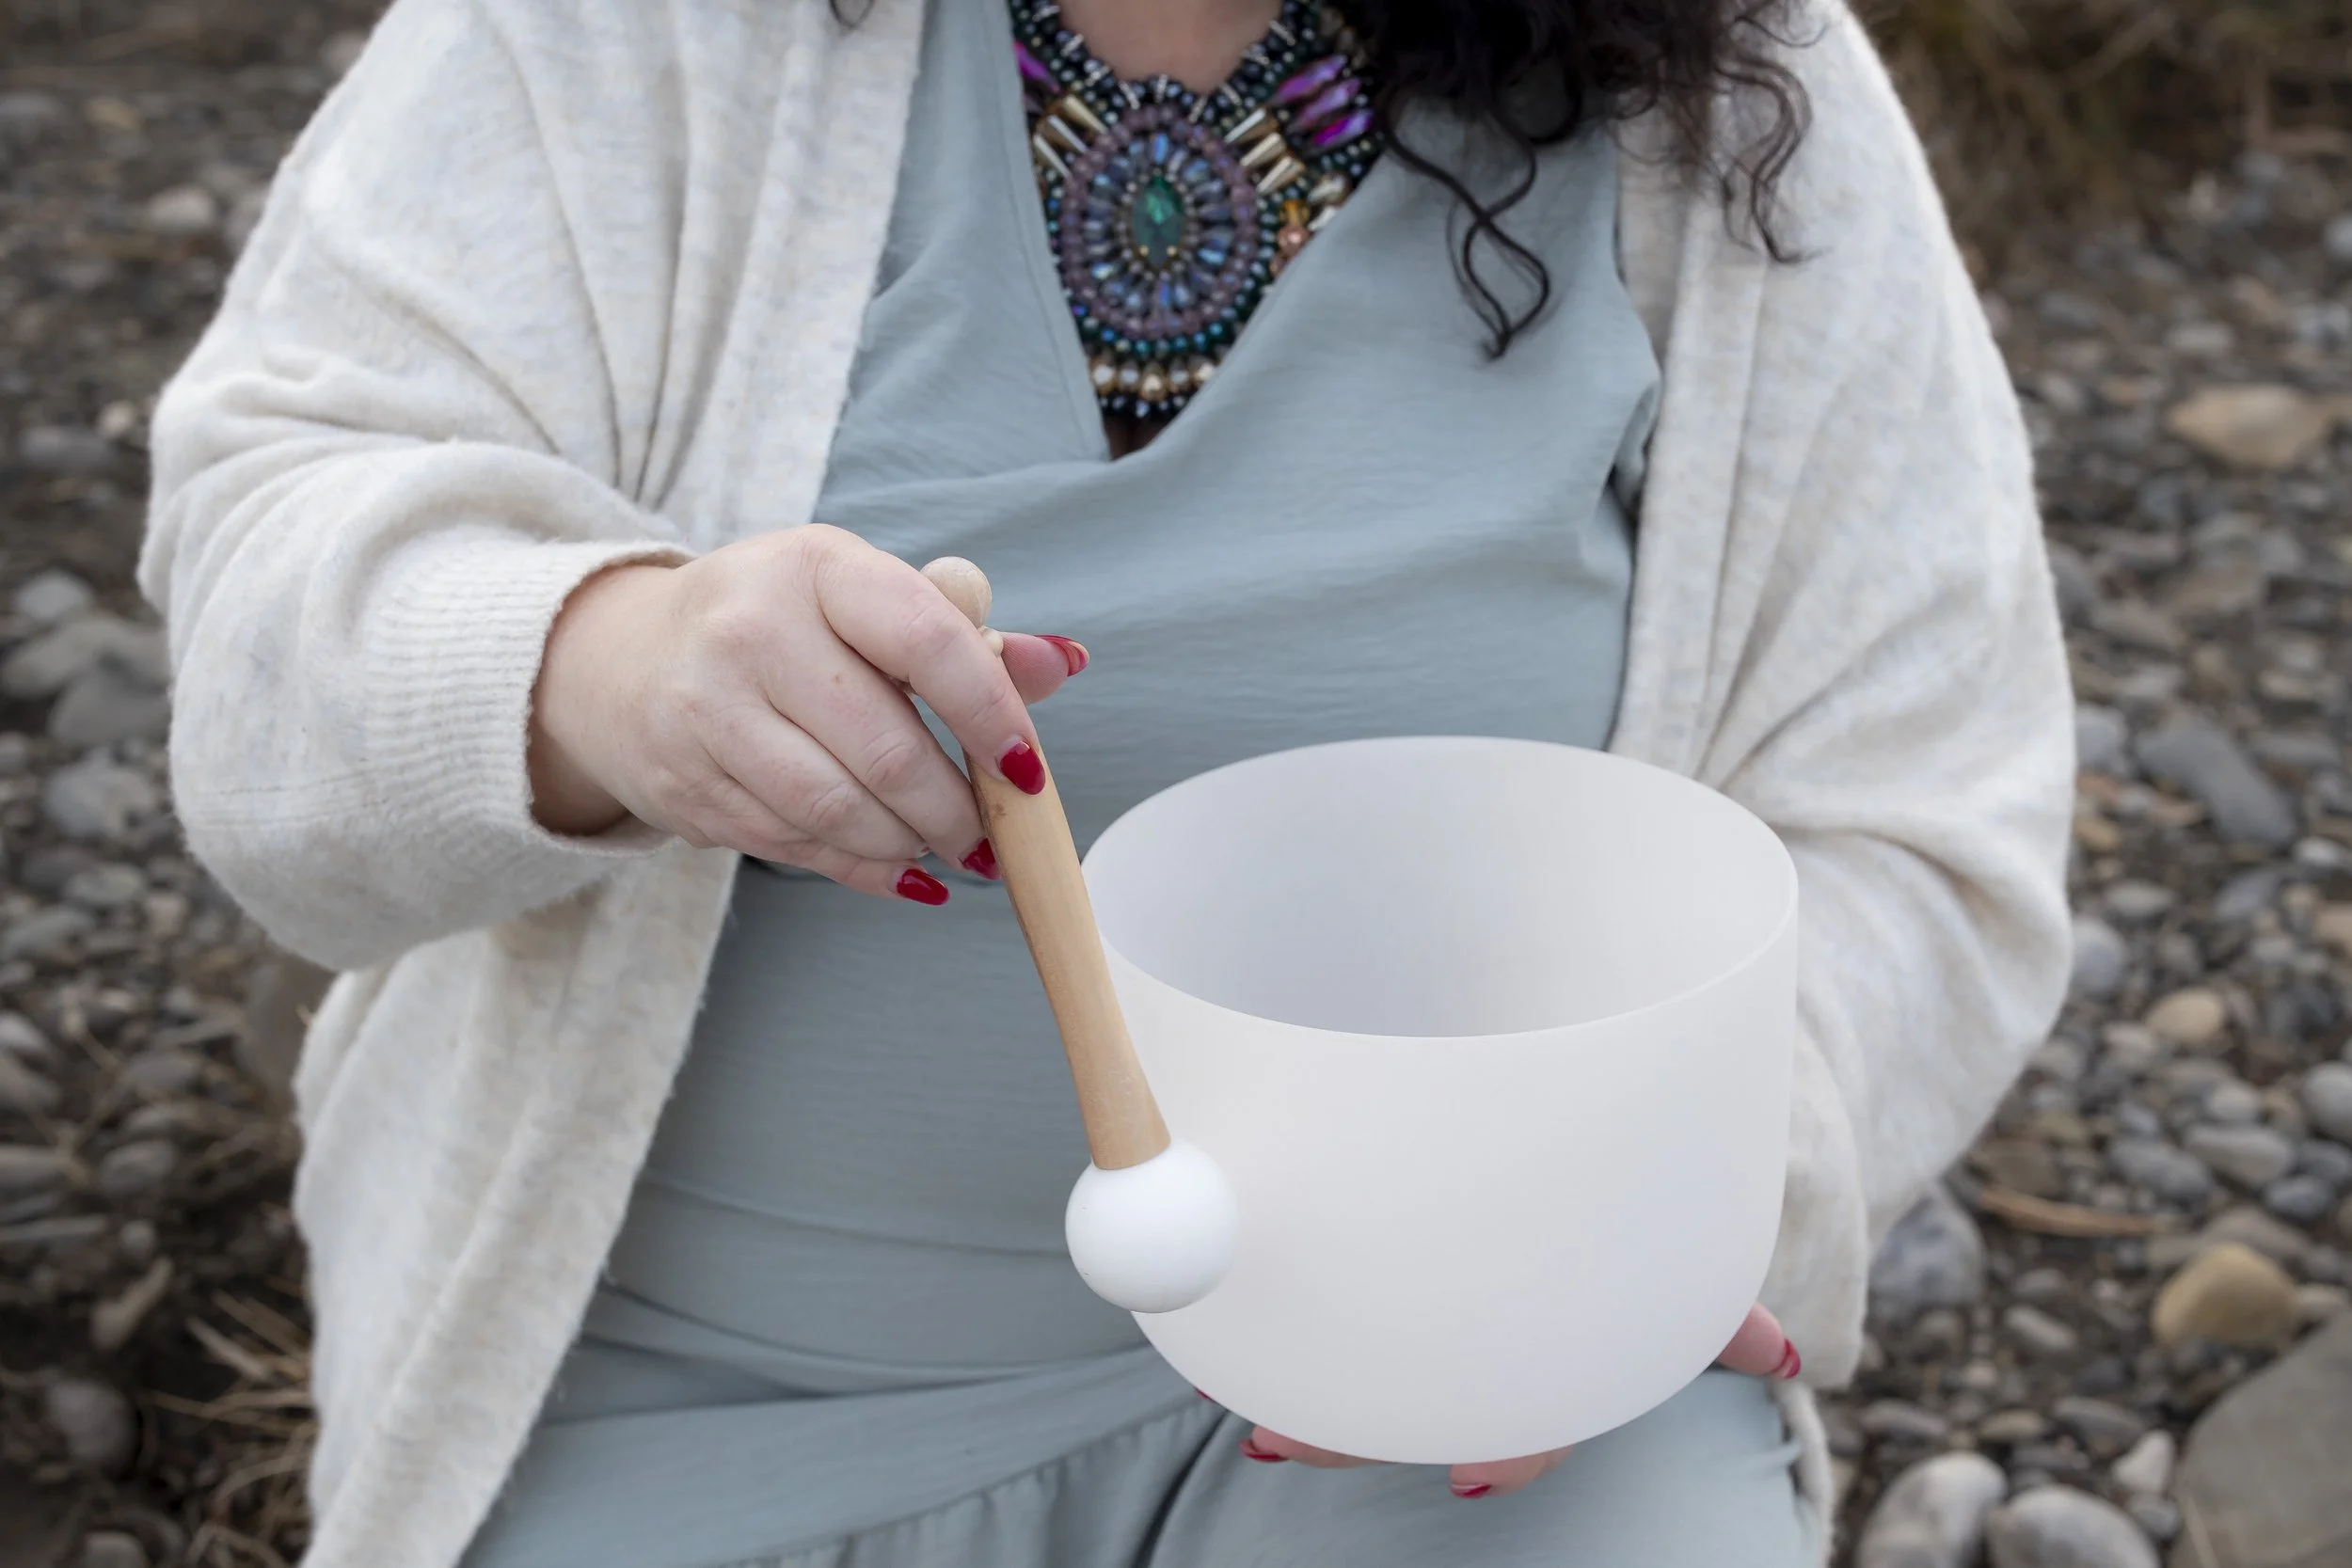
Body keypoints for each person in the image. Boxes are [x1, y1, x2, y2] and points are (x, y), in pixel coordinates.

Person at [138, 0, 2074, 1560]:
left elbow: (1926, 807)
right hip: (686, 1393)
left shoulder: (1735, 80)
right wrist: (608, 669)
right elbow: (260, 651)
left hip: (1465, 1396)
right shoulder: (611, 39)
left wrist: (1652, 1208)